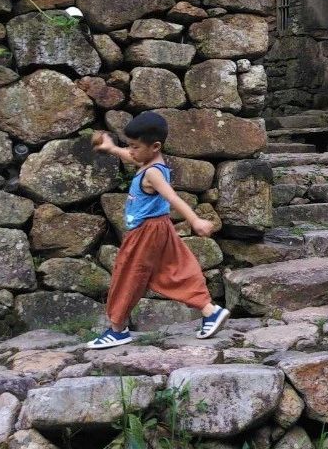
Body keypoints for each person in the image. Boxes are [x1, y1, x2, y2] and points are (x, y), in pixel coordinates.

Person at [85, 112, 229, 349]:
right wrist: (111, 148)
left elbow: (172, 197)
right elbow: (130, 157)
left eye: (134, 146)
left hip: (145, 232)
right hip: (160, 227)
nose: (130, 151)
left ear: (155, 146)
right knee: (175, 270)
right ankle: (209, 310)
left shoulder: (152, 172)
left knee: (127, 274)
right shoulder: (151, 163)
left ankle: (117, 329)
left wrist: (195, 220)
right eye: (129, 146)